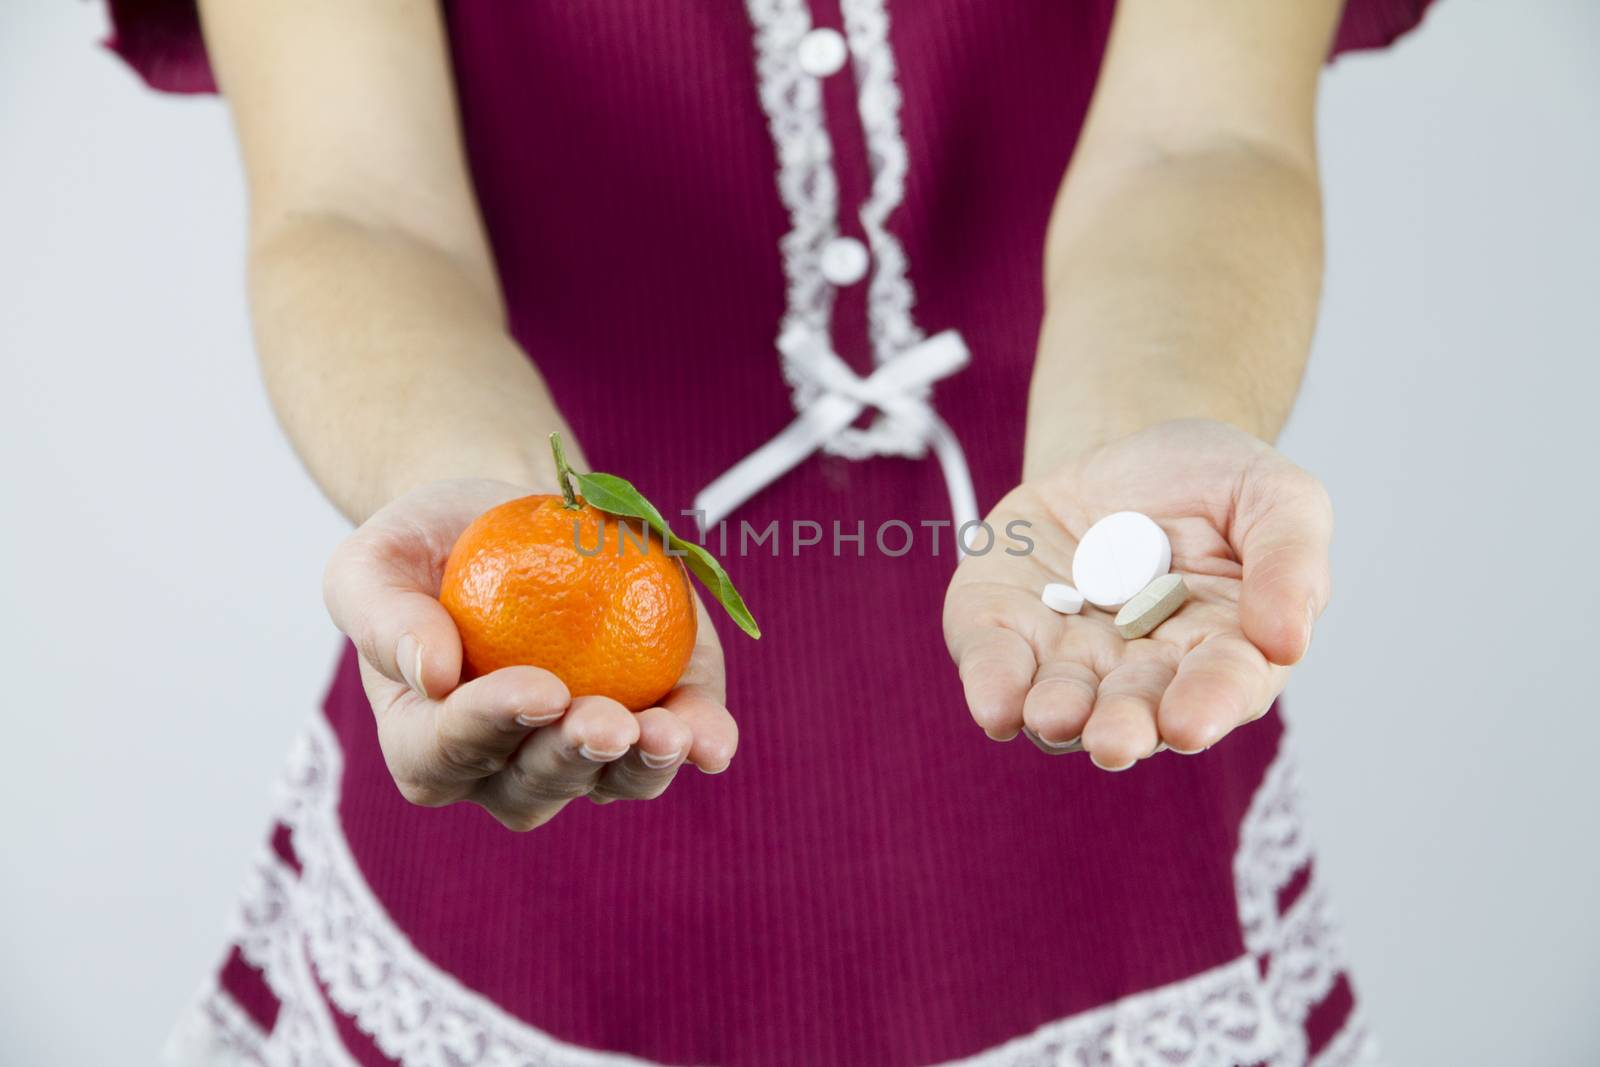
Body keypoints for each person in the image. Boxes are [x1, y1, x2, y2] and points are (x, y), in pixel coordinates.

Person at [104, 0, 1434, 1063]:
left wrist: (1147, 425)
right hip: (533, 733)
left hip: (1088, 715)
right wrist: (484, 509)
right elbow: (356, 210)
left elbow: (1204, 139)